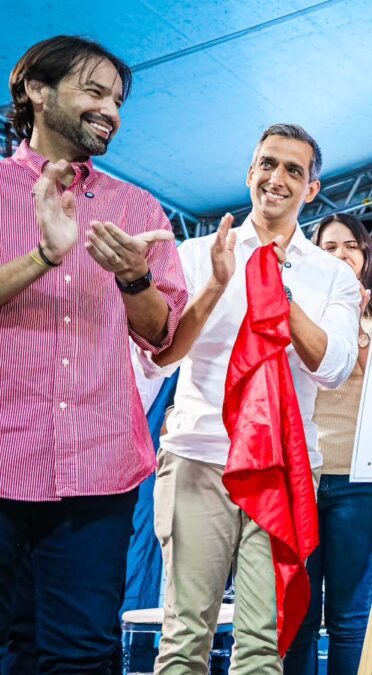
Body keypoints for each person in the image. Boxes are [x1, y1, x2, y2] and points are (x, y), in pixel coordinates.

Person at [0, 35, 188, 672]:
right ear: (34, 90)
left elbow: (163, 336)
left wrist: (135, 277)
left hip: (96, 470)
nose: (111, 109)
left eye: (118, 99)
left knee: (81, 655)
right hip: (3, 459)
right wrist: (43, 258)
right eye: (94, 90)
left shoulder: (136, 208)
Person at [147, 124, 360, 673]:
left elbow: (334, 368)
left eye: (294, 170)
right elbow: (161, 355)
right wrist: (220, 283)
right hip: (198, 457)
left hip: (286, 468)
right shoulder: (197, 255)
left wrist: (278, 293)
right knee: (185, 633)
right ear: (249, 174)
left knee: (262, 645)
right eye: (268, 163)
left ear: (311, 189)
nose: (277, 178)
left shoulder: (333, 275)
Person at [283, 212, 372, 675]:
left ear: (366, 257)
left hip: (359, 483)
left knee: (351, 620)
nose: (341, 255)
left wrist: (358, 316)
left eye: (351, 247)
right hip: (300, 474)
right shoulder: (295, 311)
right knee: (297, 615)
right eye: (329, 248)